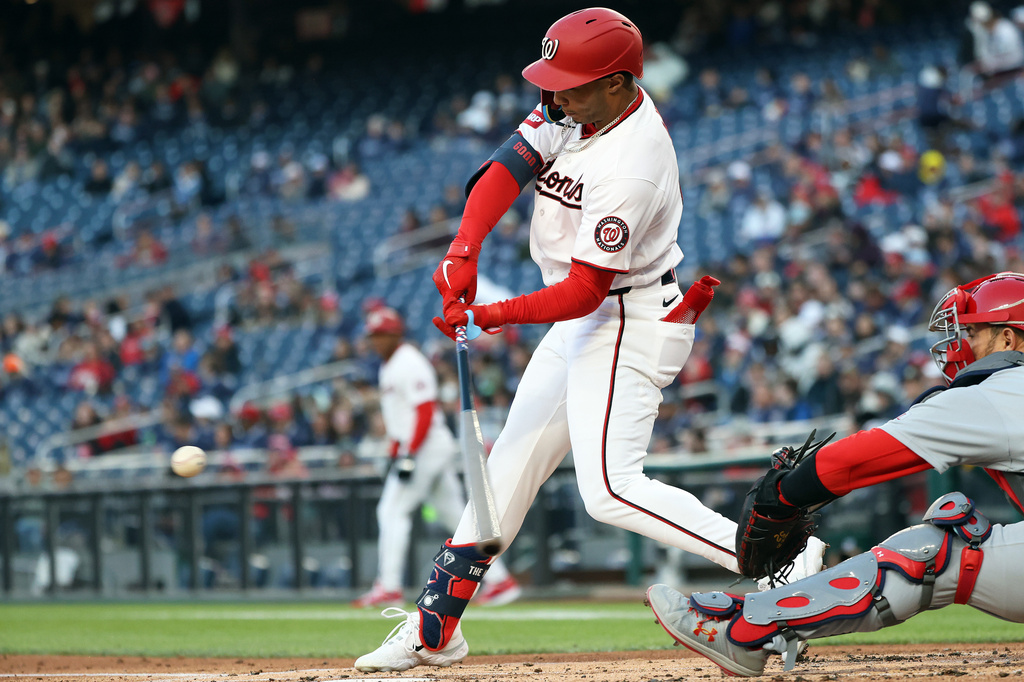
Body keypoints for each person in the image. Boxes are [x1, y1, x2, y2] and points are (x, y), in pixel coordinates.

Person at [355, 8, 824, 673]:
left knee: (609, 489)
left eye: (570, 82)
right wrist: (464, 248)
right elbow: (505, 166)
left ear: (618, 83)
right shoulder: (578, 104)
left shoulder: (633, 159)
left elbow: (583, 293)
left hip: (626, 320)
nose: (554, 94)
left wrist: (489, 314)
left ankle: (783, 561)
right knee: (508, 468)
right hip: (587, 319)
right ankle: (436, 629)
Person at [646, 271, 1024, 677]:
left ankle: (744, 631)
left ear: (1007, 339)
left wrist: (786, 493)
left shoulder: (1001, 389)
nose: (960, 345)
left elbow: (858, 459)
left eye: (972, 332)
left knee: (938, 547)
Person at [352, 306, 521, 609]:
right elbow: (399, 417)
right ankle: (500, 581)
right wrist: (395, 450)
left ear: (396, 334)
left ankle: (389, 586)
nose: (375, 341)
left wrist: (408, 453)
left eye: (381, 335)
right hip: (420, 447)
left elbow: (425, 410)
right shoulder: (388, 365)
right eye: (372, 336)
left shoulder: (409, 361)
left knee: (391, 511)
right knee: (457, 517)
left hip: (426, 446)